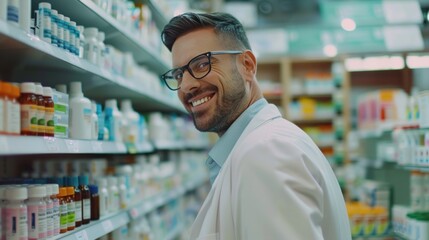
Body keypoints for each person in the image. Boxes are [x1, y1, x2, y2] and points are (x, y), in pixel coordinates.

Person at [161, 12, 351, 240]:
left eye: (202, 64)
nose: (187, 86)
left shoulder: (266, 153)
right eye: (179, 74)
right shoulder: (259, 146)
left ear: (247, 65)